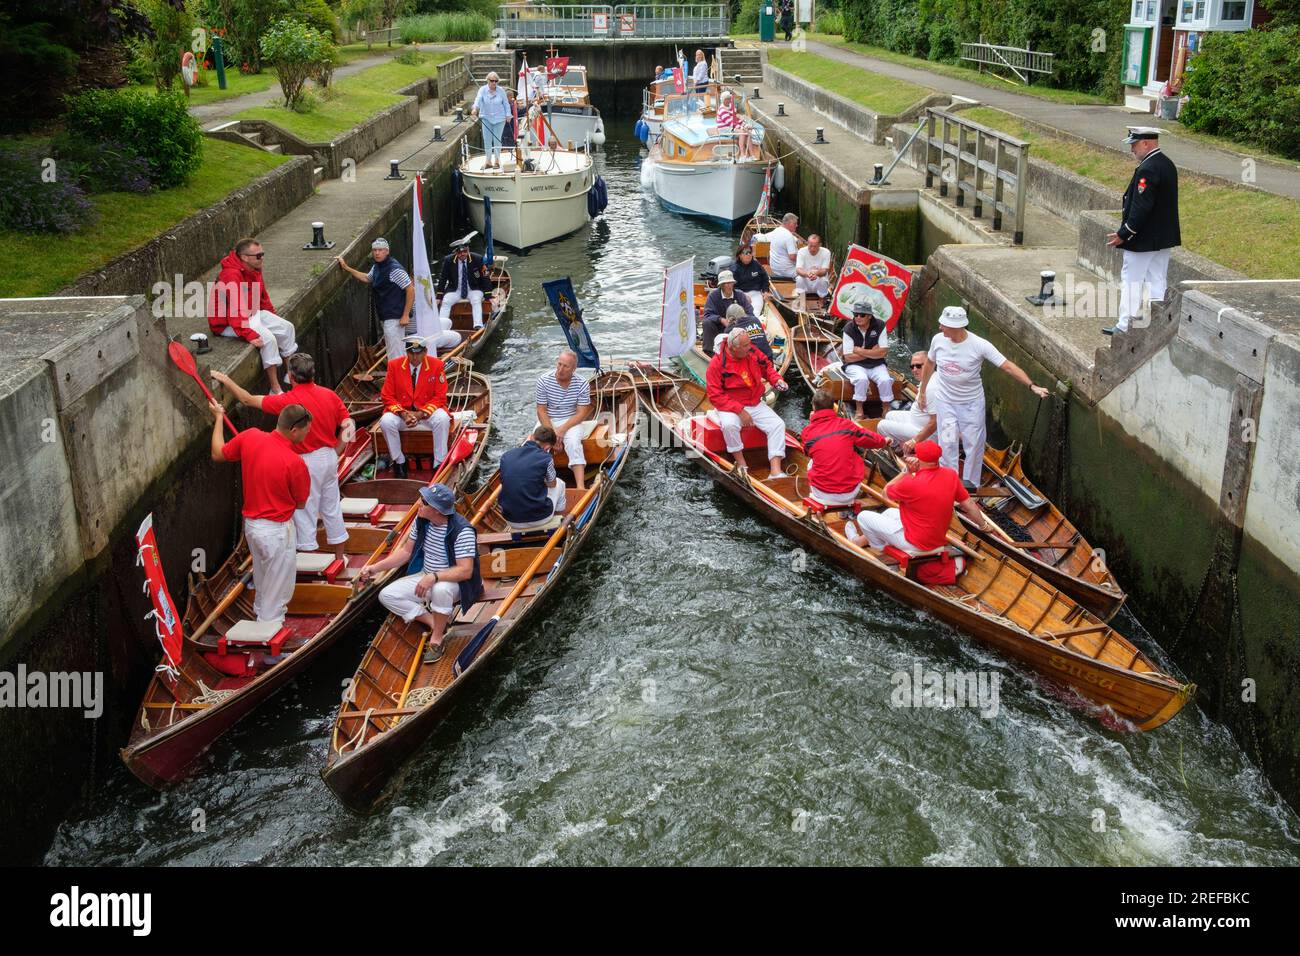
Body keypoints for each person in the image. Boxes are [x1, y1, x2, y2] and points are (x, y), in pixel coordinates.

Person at [211, 354, 353, 559]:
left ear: (290, 376)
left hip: (305, 461)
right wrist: (337, 450)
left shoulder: (287, 402)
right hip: (329, 458)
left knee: (305, 514)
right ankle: (340, 558)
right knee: (331, 506)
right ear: (312, 374)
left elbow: (246, 399)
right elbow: (349, 425)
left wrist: (226, 380)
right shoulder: (330, 395)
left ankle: (308, 562)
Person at [918, 306, 1048, 488]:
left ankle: (970, 484)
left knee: (974, 444)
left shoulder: (980, 345)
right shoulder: (937, 340)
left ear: (956, 327)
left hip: (971, 405)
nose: (940, 328)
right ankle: (949, 481)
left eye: (944, 325)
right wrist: (922, 392)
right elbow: (930, 363)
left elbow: (1008, 366)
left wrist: (1032, 385)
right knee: (947, 442)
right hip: (946, 402)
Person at [208, 399, 311, 623]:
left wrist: (218, 418)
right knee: (278, 592)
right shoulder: (295, 463)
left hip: (252, 528)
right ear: (294, 430)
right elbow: (301, 504)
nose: (306, 436)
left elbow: (217, 453)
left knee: (264, 582)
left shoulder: (250, 436)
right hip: (276, 531)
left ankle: (259, 621)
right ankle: (270, 651)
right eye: (305, 432)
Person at [357, 484, 483, 664]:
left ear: (437, 511)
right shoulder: (421, 521)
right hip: (426, 575)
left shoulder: (462, 531)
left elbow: (465, 571)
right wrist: (375, 568)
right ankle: (435, 622)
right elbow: (406, 553)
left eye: (424, 502)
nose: (419, 504)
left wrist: (434, 577)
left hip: (456, 583)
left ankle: (437, 639)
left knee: (441, 590)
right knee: (387, 595)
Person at [847, 440, 994, 554]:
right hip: (936, 539)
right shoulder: (951, 475)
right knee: (889, 513)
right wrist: (983, 525)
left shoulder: (911, 482)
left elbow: (885, 493)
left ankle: (880, 548)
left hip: (914, 543)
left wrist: (905, 471)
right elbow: (968, 504)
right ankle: (861, 541)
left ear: (918, 458)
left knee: (863, 517)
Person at [1103, 127, 1181, 336]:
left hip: (1143, 238)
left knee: (1132, 280)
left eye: (1134, 144)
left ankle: (1124, 325)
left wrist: (1124, 233)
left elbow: (1141, 206)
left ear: (1146, 143)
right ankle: (1156, 323)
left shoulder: (1148, 168)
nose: (1131, 149)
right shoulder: (1167, 164)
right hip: (1162, 238)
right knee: (1157, 279)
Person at [207, 238, 298, 393]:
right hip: (227, 323)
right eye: (258, 255)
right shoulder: (230, 275)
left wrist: (273, 316)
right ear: (244, 257)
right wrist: (248, 334)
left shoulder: (254, 268)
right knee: (268, 339)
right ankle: (275, 389)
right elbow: (235, 312)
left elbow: (262, 296)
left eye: (262, 254)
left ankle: (291, 379)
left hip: (249, 313)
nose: (262, 258)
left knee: (287, 328)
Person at [705, 327, 789, 479]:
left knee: (778, 425)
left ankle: (775, 470)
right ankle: (741, 464)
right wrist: (739, 410)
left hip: (754, 401)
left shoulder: (751, 351)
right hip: (730, 405)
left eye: (749, 344)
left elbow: (766, 366)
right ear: (733, 347)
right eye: (745, 346)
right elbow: (715, 395)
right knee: (730, 426)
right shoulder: (716, 364)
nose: (749, 347)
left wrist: (776, 380)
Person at [379, 335, 451, 479]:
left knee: (442, 419)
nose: (414, 357)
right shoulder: (394, 365)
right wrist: (403, 414)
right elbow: (387, 396)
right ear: (406, 352)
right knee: (386, 421)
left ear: (425, 352)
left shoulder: (436, 365)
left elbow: (440, 397)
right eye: (411, 353)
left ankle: (439, 462)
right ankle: (399, 461)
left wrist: (420, 414)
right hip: (403, 413)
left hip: (426, 413)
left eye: (418, 353)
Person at [801, 389, 888, 507]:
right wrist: (884, 441)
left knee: (811, 462)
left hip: (822, 494)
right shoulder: (846, 425)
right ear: (833, 407)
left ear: (814, 407)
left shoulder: (807, 432)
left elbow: (807, 453)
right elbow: (872, 439)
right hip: (850, 493)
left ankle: (819, 497)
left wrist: (812, 423)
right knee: (854, 458)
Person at [334, 238, 414, 361]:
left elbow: (410, 290)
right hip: (386, 315)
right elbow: (367, 278)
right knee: (396, 350)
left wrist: (405, 315)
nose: (377, 253)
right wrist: (346, 268)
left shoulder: (395, 269)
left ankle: (397, 378)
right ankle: (399, 376)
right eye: (374, 250)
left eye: (380, 250)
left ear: (387, 251)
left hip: (395, 317)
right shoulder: (377, 266)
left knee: (395, 354)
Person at [535, 350, 593, 490]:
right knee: (538, 446)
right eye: (559, 364)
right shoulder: (543, 380)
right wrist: (553, 434)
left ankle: (580, 487)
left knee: (573, 443)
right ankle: (539, 483)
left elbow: (582, 413)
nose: (560, 369)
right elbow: (541, 410)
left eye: (565, 366)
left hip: (571, 420)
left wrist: (562, 429)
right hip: (548, 419)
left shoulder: (582, 383)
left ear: (573, 369)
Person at [499, 425, 568, 532]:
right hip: (540, 518)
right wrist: (541, 480)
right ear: (547, 447)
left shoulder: (506, 456)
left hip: (510, 519)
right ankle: (559, 519)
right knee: (560, 483)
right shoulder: (546, 458)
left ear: (531, 437)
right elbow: (552, 484)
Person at [840, 302, 896, 419]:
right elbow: (848, 357)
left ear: (869, 316)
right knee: (861, 379)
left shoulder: (880, 326)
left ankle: (886, 409)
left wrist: (859, 350)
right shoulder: (848, 329)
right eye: (856, 315)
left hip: (876, 364)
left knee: (885, 380)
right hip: (854, 365)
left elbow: (883, 352)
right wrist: (871, 352)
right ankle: (859, 411)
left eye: (862, 315)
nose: (858, 318)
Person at [876, 352, 935, 443]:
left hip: (924, 432)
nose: (914, 370)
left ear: (929, 365)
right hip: (915, 420)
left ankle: (897, 449)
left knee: (881, 425)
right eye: (912, 367)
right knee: (889, 415)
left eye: (919, 366)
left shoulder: (932, 388)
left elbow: (935, 422)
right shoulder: (927, 379)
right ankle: (899, 444)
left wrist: (915, 441)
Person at [436, 236, 491, 332]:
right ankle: (441, 328)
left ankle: (478, 325)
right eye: (460, 252)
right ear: (456, 253)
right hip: (455, 289)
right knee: (446, 302)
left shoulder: (478, 259)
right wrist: (439, 296)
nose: (462, 254)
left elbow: (485, 277)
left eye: (465, 251)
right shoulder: (448, 260)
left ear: (468, 250)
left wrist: (488, 295)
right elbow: (443, 278)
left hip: (474, 289)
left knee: (476, 300)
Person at [701, 269, 755, 354]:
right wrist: (721, 320)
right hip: (719, 328)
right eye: (726, 283)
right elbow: (707, 314)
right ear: (721, 285)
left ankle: (746, 350)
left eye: (730, 283)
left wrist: (740, 320)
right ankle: (709, 352)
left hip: (739, 327)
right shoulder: (713, 296)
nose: (729, 286)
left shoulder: (740, 295)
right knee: (707, 323)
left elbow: (750, 313)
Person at [471, 71, 510, 169]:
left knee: (497, 140)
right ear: (487, 81)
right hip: (486, 118)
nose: (494, 83)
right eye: (492, 81)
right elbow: (478, 99)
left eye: (496, 81)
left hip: (499, 118)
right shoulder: (482, 90)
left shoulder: (501, 90)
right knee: (487, 140)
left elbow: (506, 103)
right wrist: (475, 108)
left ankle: (497, 160)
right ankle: (488, 161)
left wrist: (508, 115)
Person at [752, 212, 799, 280]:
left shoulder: (776, 231)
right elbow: (792, 257)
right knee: (810, 271)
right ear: (790, 223)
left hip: (775, 269)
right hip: (788, 272)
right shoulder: (789, 236)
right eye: (795, 223)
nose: (796, 225)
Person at [731, 242, 771, 314]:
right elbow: (732, 287)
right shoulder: (734, 269)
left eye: (750, 252)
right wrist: (742, 295)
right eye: (746, 253)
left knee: (755, 312)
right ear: (740, 255)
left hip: (756, 293)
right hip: (740, 294)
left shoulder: (756, 264)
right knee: (740, 313)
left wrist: (765, 291)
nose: (749, 254)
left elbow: (765, 278)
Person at [794, 233, 832, 300]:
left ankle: (821, 300)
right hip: (806, 278)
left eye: (815, 246)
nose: (812, 249)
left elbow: (824, 271)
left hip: (818, 280)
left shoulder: (826, 252)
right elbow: (798, 269)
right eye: (810, 246)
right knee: (799, 279)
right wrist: (807, 274)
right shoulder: (801, 251)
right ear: (807, 243)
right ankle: (802, 299)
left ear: (820, 245)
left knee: (823, 279)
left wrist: (816, 273)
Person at [716, 90, 752, 157]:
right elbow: (731, 123)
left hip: (730, 126)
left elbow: (736, 119)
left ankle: (752, 154)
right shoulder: (722, 110)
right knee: (742, 132)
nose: (730, 100)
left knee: (747, 132)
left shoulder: (729, 108)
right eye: (728, 99)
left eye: (730, 99)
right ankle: (742, 154)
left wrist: (745, 125)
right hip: (724, 128)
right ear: (724, 100)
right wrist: (742, 127)